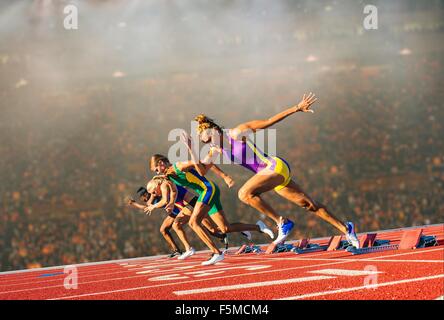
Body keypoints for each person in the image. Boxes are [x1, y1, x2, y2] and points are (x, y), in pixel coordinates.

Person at [186, 92, 360, 248]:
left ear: (214, 129)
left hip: (275, 166)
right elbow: (201, 172)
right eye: (206, 142)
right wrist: (191, 150)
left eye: (209, 138)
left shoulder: (237, 133)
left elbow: (268, 122)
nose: (210, 143)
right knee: (309, 205)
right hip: (272, 177)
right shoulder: (216, 150)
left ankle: (281, 222)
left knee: (244, 194)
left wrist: (296, 108)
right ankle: (346, 228)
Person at [150, 154, 274, 265]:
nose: (156, 173)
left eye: (156, 170)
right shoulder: (168, 176)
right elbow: (174, 192)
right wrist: (171, 203)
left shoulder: (178, 166)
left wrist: (224, 176)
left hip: (207, 190)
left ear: (161, 163)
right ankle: (258, 227)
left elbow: (201, 162)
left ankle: (216, 253)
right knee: (225, 228)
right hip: (206, 192)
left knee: (194, 222)